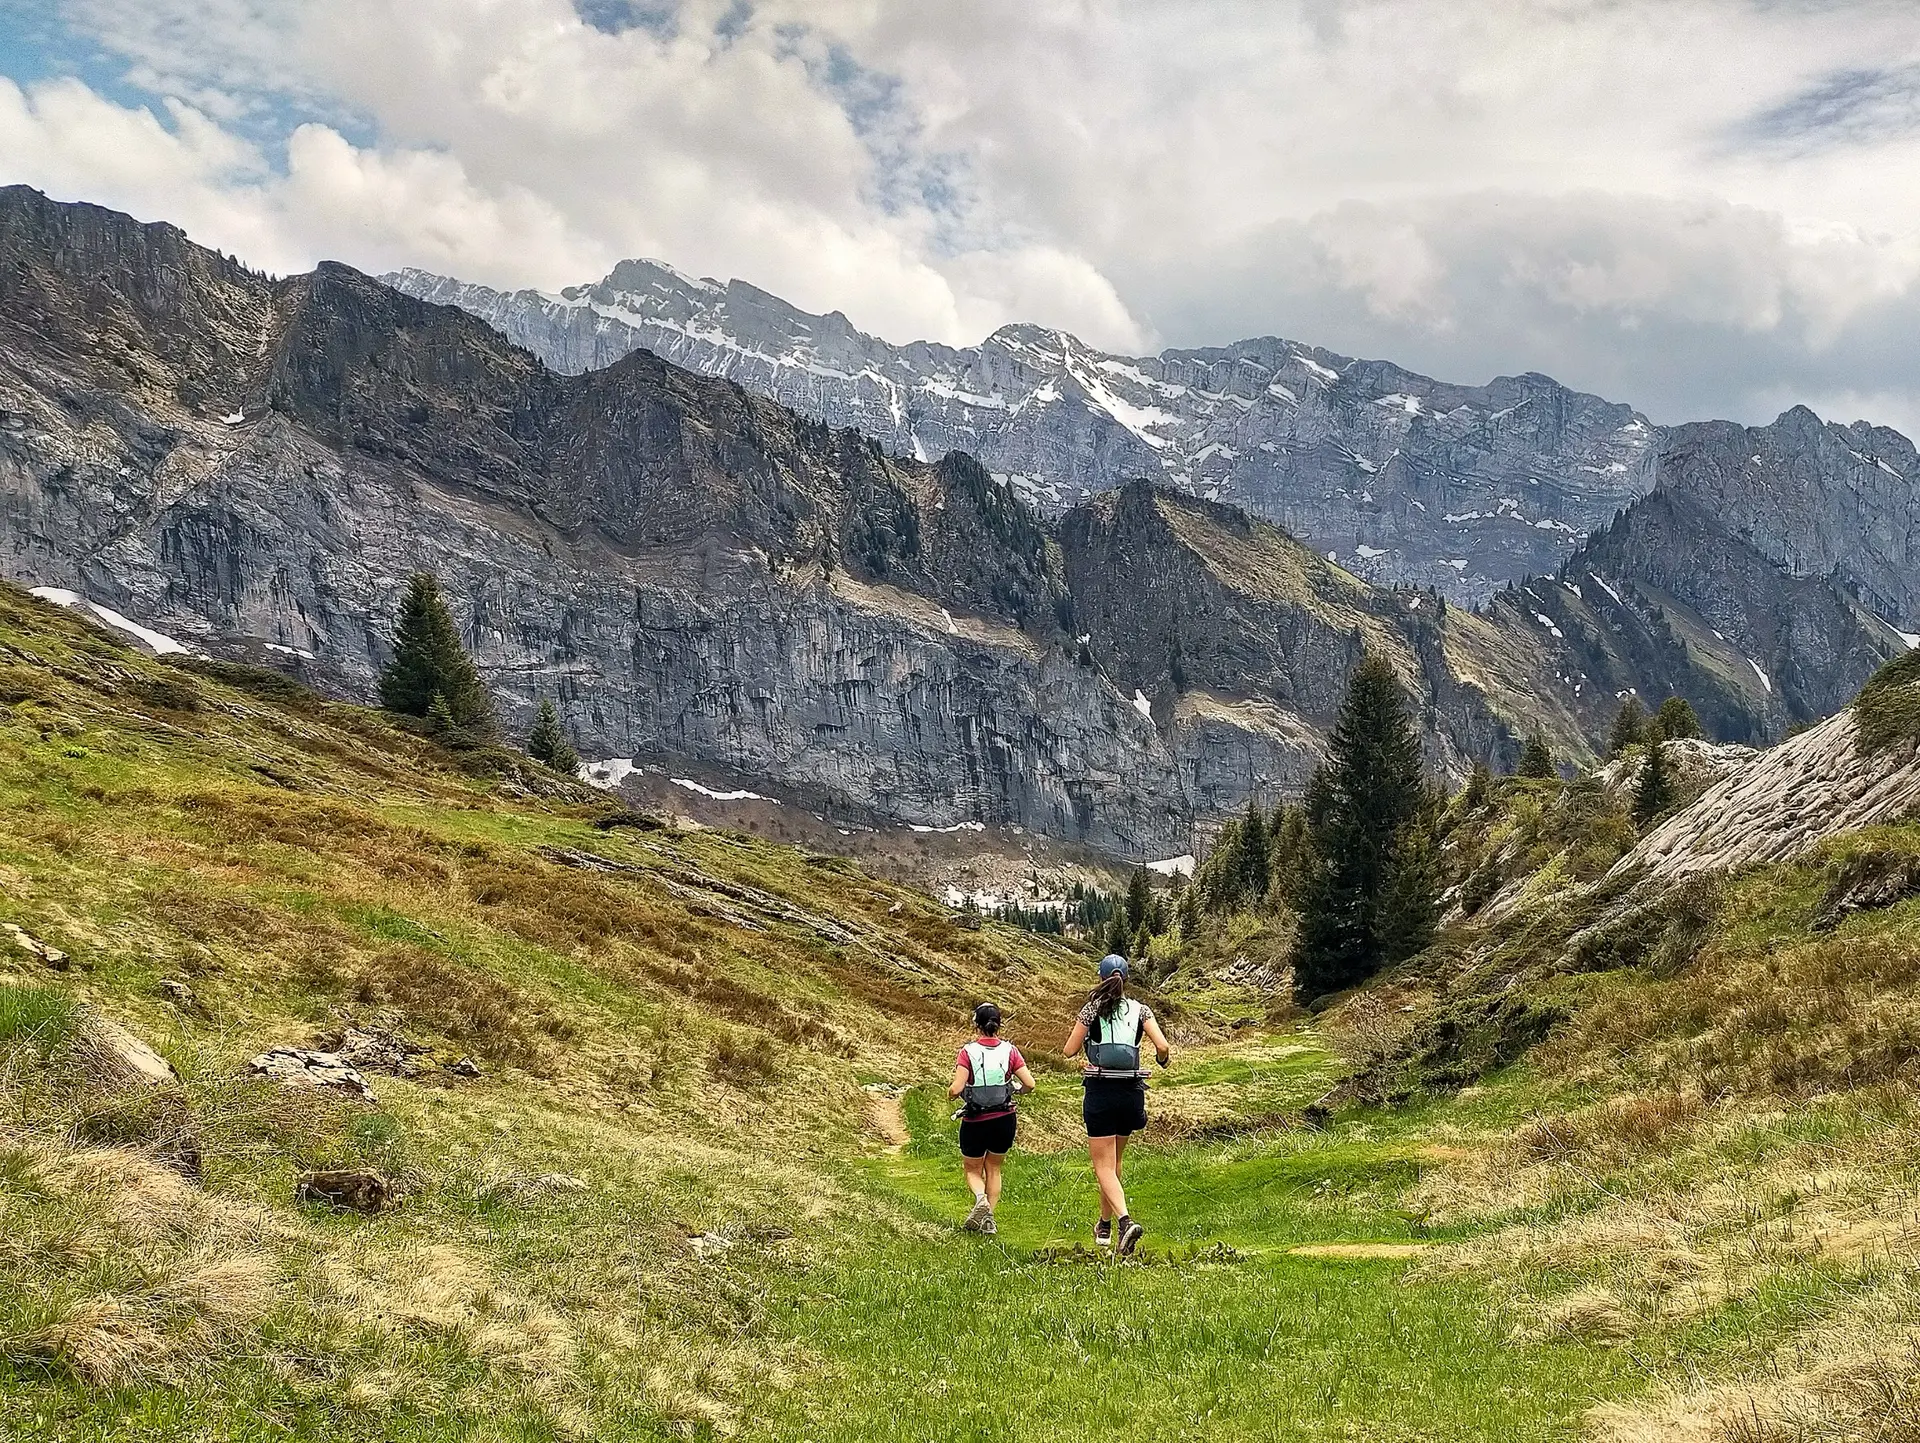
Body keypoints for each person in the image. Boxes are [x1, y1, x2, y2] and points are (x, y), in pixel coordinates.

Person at [1061, 955, 1170, 1256]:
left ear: (1101, 977)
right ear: (1127, 979)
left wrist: (1085, 1055)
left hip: (1100, 1092)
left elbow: (1069, 1050)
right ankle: (1104, 1226)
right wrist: (1161, 1061)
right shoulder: (1141, 1009)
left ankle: (1125, 1222)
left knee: (1102, 1167)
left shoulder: (1092, 1009)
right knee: (1115, 1163)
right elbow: (1162, 1046)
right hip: (1132, 1092)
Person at [947, 1002, 1037, 1235]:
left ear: (976, 1025)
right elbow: (1030, 1084)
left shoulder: (968, 1052)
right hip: (1005, 1119)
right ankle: (989, 1221)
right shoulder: (1010, 1051)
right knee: (994, 1168)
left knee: (972, 1169)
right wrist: (1015, 1090)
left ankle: (980, 1200)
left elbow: (957, 1088)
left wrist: (950, 1094)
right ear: (999, 1024)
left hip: (976, 1120)